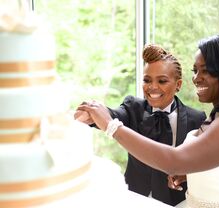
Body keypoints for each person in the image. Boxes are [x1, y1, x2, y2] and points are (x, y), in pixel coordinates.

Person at [76, 34, 219, 207]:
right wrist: (195, 175)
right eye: (195, 71)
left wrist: (111, 126)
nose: (196, 78)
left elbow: (175, 161)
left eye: (205, 71)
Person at [75, 44, 206, 206]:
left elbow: (200, 163)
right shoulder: (132, 107)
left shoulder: (196, 118)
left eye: (162, 81)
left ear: (178, 85)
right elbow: (114, 115)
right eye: (147, 80)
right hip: (135, 199)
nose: (152, 87)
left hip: (174, 203)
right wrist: (92, 116)